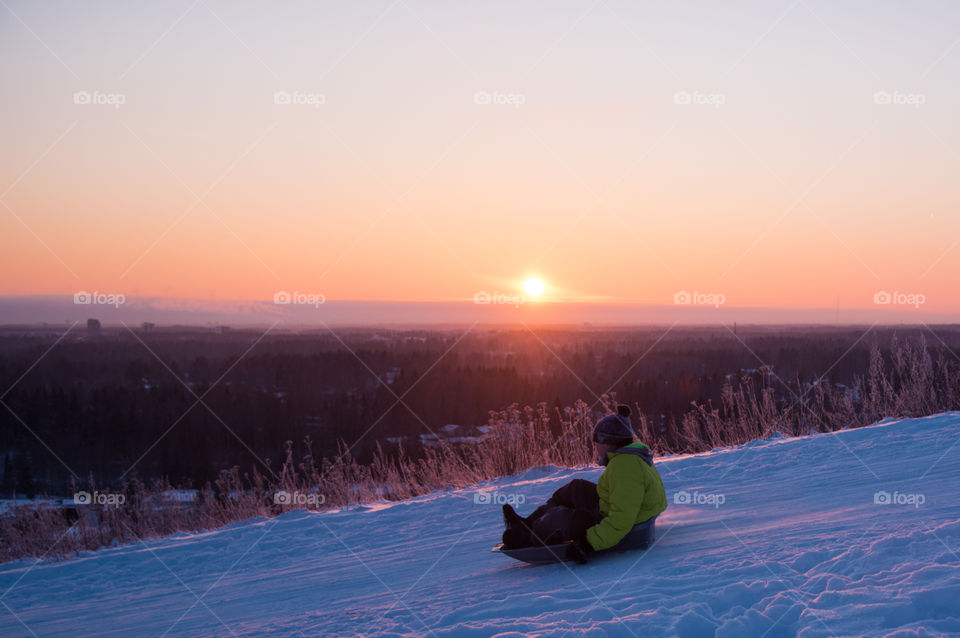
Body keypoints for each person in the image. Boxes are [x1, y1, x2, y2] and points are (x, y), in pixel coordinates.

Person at [501, 404, 667, 563]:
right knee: (575, 488)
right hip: (615, 508)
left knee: (559, 518)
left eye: (597, 442)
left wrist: (588, 543)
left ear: (608, 441)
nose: (596, 447)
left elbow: (621, 521)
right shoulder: (628, 457)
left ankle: (526, 538)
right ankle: (526, 524)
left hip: (624, 523)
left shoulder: (624, 466)